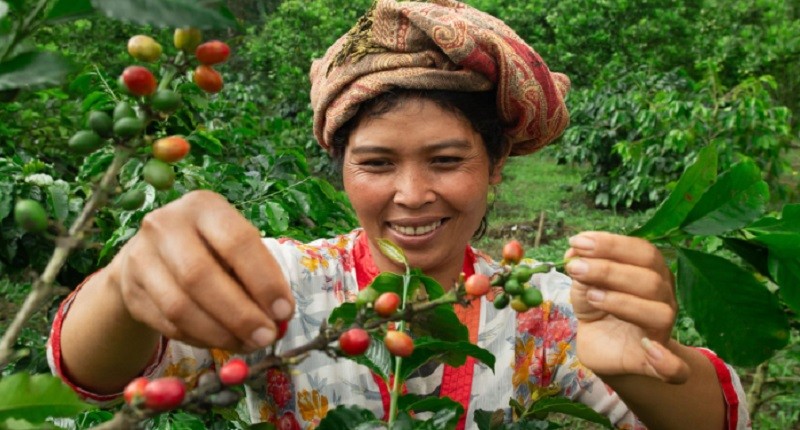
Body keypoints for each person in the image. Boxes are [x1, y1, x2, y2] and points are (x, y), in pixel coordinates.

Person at [48, 1, 749, 429]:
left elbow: (724, 421)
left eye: (446, 160)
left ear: (496, 166)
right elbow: (93, 377)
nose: (411, 194)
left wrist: (642, 368)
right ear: (342, 168)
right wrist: (125, 288)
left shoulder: (543, 310)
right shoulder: (277, 284)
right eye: (377, 163)